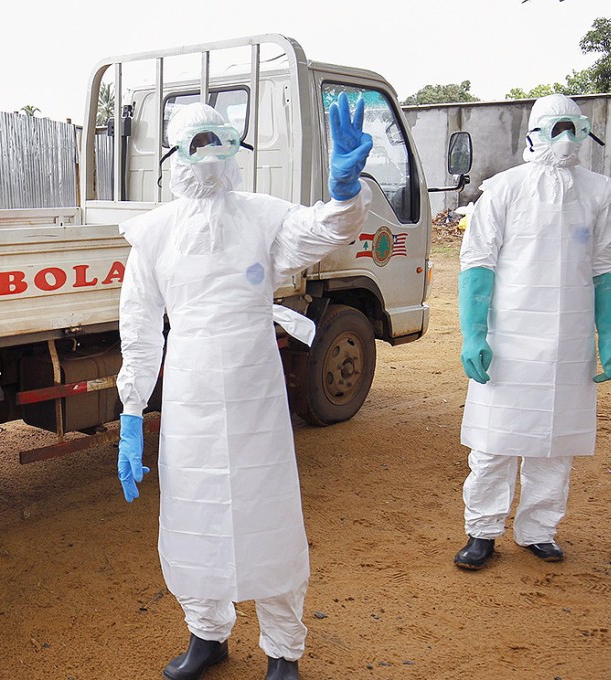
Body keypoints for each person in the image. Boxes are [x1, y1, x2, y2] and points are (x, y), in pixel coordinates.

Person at [115, 95, 373, 680]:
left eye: (219, 141)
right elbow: (138, 327)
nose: (208, 156)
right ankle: (206, 636)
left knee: (268, 512)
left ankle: (284, 649)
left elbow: (322, 232)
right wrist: (132, 413)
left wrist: (343, 192)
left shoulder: (263, 215)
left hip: (254, 384)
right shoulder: (152, 235)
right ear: (173, 157)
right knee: (194, 513)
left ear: (236, 150)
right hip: (189, 391)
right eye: (196, 143)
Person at [455, 93, 611, 571]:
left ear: (585, 131)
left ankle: (539, 529)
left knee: (555, 441)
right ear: (536, 132)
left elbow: (604, 268)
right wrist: (473, 334)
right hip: (510, 337)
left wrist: (608, 335)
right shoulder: (502, 189)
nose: (566, 138)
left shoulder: (600, 192)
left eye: (574, 127)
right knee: (495, 440)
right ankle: (482, 531)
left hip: (568, 339)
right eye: (556, 127)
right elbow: (477, 263)